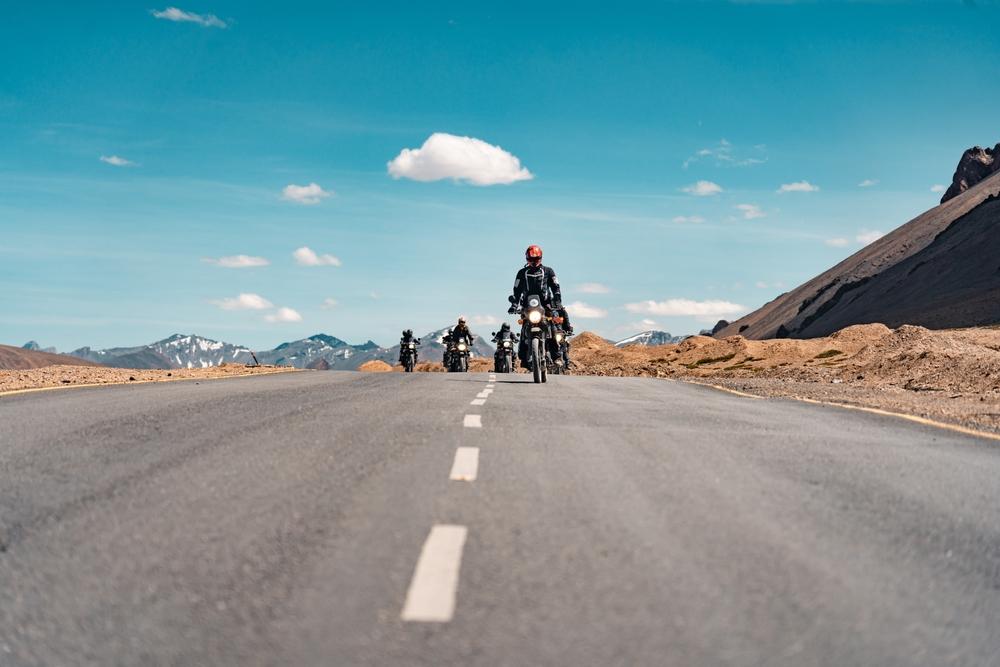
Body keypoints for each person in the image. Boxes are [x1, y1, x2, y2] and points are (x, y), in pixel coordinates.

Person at [507, 245, 572, 366]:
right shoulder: (521, 273)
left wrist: (557, 302)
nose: (534, 262)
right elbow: (516, 290)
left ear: (541, 258)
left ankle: (557, 356)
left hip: (546, 305)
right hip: (527, 305)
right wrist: (514, 304)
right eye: (531, 259)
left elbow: (555, 287)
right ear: (527, 259)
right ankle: (523, 357)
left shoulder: (549, 271)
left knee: (553, 327)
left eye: (536, 259)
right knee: (524, 328)